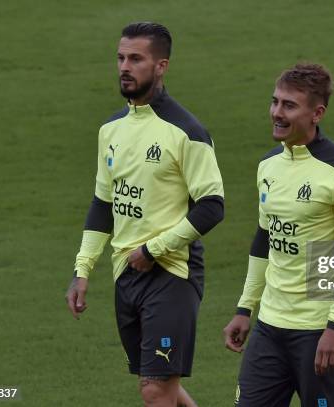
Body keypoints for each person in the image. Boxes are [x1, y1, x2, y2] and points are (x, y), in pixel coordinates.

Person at [65, 22, 224, 407]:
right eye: (121, 58)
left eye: (136, 59)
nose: (125, 66)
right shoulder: (110, 130)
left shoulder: (187, 132)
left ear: (161, 66)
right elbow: (104, 205)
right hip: (126, 273)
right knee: (160, 386)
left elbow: (212, 206)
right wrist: (82, 270)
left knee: (155, 389)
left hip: (171, 274)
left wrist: (154, 250)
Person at [223, 63, 334, 407]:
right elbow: (265, 240)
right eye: (275, 102)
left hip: (318, 330)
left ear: (317, 113)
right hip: (269, 327)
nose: (277, 112)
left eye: (289, 106)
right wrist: (245, 308)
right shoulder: (268, 166)